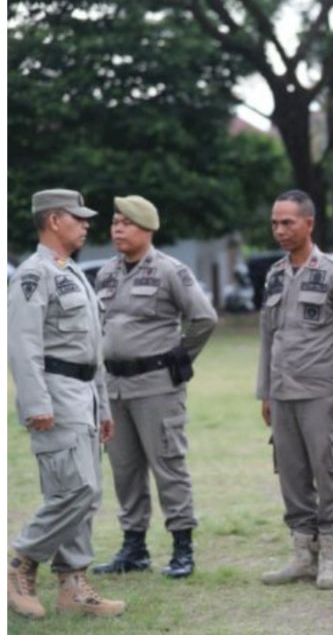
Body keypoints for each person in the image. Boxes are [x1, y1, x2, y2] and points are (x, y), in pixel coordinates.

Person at [8, 189, 125, 618]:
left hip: (83, 395)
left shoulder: (69, 271)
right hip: (55, 395)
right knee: (76, 488)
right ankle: (20, 560)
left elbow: (89, 348)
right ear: (55, 220)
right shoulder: (33, 274)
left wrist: (104, 407)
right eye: (79, 217)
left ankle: (73, 586)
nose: (87, 224)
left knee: (85, 495)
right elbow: (22, 345)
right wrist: (36, 403)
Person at [92, 196, 217, 580]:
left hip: (157, 387)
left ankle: (182, 548)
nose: (116, 229)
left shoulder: (170, 271)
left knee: (168, 466)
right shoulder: (106, 273)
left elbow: (204, 319)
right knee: (124, 470)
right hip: (115, 387)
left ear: (146, 229)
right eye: (114, 223)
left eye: (125, 223)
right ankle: (134, 549)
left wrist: (177, 360)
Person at [257, 190, 333, 591]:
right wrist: (266, 391)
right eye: (275, 223)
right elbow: (268, 337)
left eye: (288, 222)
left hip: (322, 391)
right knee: (292, 475)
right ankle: (303, 553)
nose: (280, 230)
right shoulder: (274, 274)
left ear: (309, 223)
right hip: (283, 392)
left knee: (330, 472)